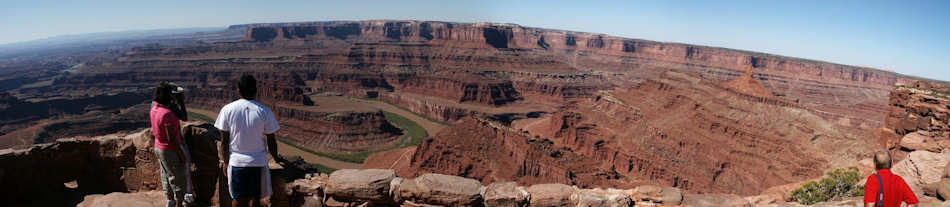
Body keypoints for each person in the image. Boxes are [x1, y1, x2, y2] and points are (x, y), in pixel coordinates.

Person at [214, 75, 281, 207]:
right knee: (255, 199)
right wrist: (276, 158)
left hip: (237, 162)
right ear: (255, 90)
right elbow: (271, 140)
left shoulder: (227, 110)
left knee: (238, 199)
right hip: (258, 163)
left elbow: (224, 141)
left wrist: (225, 161)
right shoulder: (265, 111)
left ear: (239, 90)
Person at [150, 82, 188, 207]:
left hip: (158, 146)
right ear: (169, 96)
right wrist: (182, 155)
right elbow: (172, 139)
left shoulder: (154, 107)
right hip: (169, 150)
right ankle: (179, 204)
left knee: (166, 175)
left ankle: (170, 201)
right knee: (177, 177)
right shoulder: (167, 113)